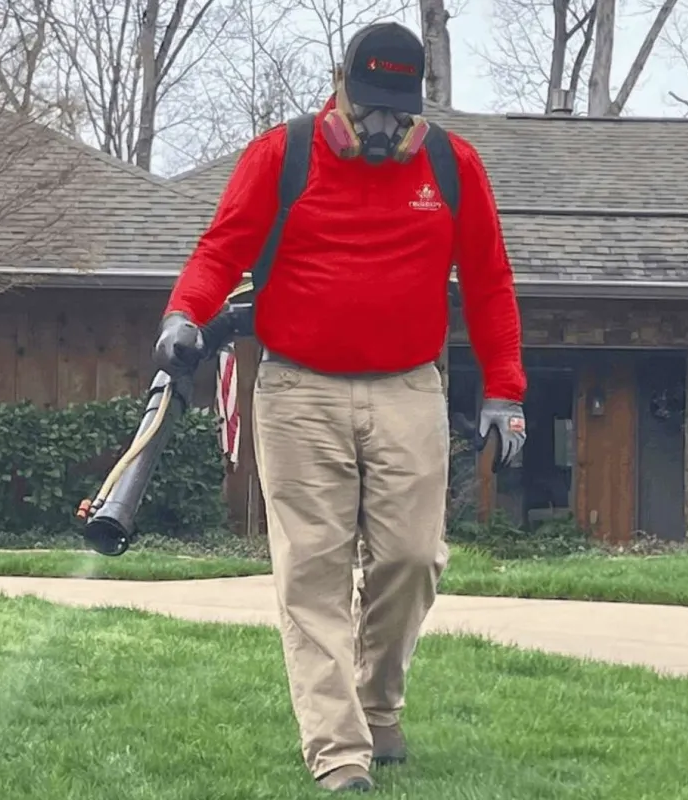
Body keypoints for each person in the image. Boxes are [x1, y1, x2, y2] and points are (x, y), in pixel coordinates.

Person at [152, 21, 527, 793]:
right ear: (340, 88)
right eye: (369, 109)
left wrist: (505, 392)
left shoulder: (454, 169)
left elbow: (489, 282)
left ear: (418, 103)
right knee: (313, 572)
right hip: (298, 391)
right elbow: (221, 249)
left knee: (412, 558)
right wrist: (184, 314)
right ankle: (339, 754)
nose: (383, 128)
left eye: (399, 111)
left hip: (409, 388)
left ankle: (378, 705)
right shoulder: (282, 156)